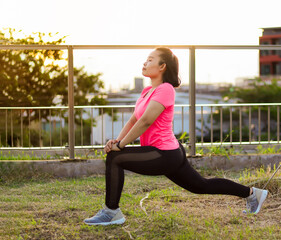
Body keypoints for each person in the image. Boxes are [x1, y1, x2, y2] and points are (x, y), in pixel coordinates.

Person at [84, 47, 268, 226]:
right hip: (169, 151)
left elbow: (146, 121)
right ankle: (252, 194)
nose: (145, 62)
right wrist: (117, 140)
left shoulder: (166, 89)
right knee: (200, 186)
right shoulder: (146, 91)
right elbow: (134, 120)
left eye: (150, 60)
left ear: (162, 66)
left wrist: (120, 146)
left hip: (164, 154)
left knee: (115, 158)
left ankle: (111, 212)